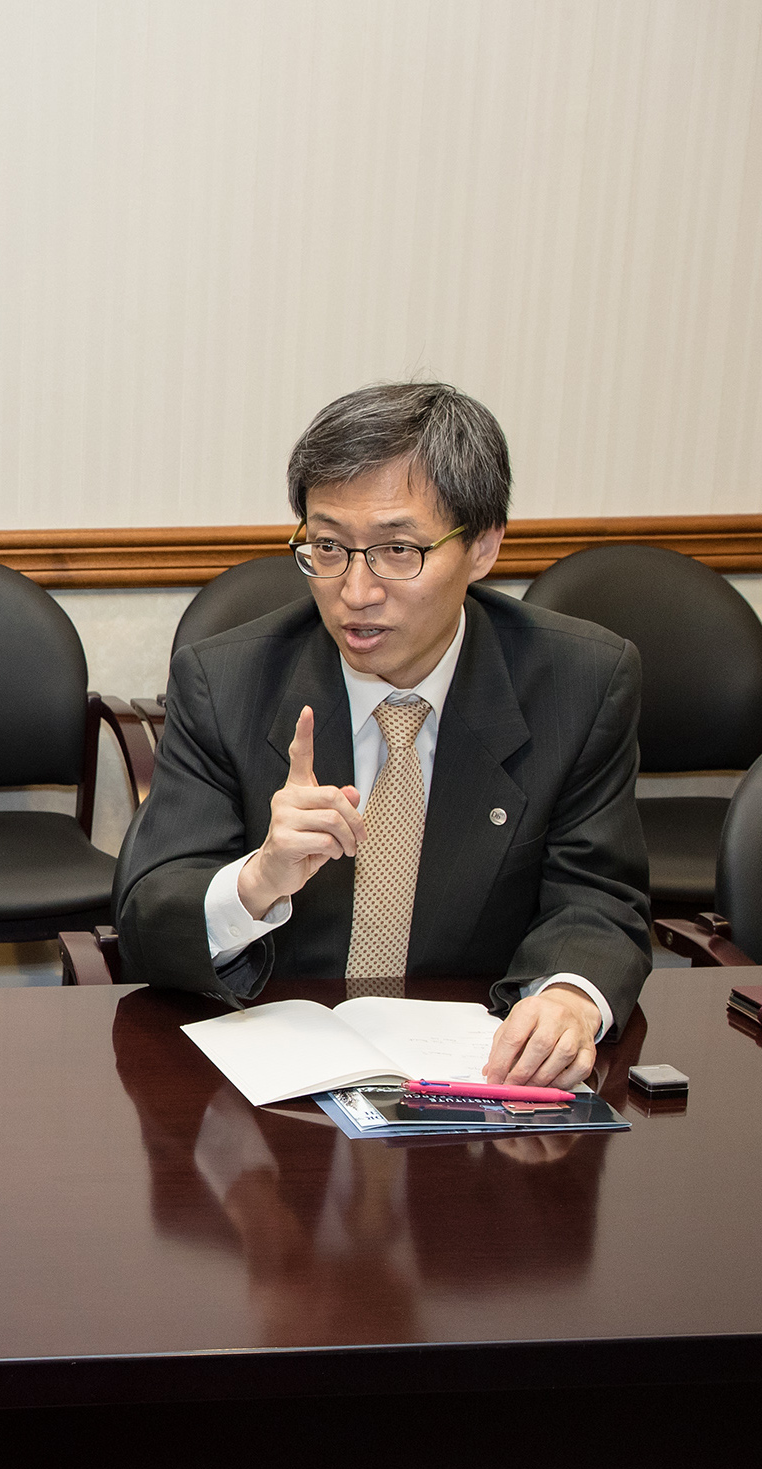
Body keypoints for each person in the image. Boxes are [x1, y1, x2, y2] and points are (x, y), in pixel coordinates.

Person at [113, 382, 649, 1090]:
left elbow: (597, 898)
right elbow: (145, 922)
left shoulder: (579, 683)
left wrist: (567, 998)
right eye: (328, 546)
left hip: (474, 1086)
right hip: (273, 1086)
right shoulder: (226, 682)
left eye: (398, 549)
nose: (356, 592)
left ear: (483, 547)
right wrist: (258, 880)